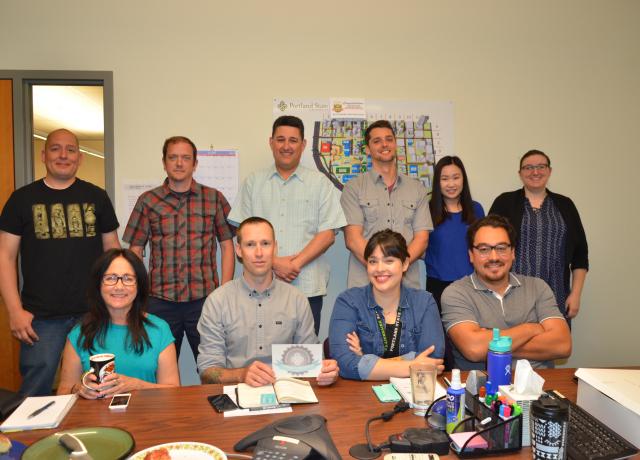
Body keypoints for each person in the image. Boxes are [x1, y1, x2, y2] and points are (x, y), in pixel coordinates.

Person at [0, 129, 120, 396]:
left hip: (94, 313)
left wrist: (117, 302)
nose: (63, 155)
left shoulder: (97, 197)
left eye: (70, 150)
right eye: (55, 149)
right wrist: (14, 311)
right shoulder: (22, 199)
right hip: (40, 318)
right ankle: (32, 439)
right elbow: (5, 257)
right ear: (44, 155)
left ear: (79, 158)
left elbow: (112, 252)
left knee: (100, 388)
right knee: (35, 393)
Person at [228, 116, 346, 334]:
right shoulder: (253, 182)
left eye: (293, 140)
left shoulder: (320, 184)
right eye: (280, 139)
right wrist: (274, 262)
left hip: (307, 287)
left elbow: (328, 234)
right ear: (271, 142)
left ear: (303, 145)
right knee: (260, 350)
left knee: (303, 358)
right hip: (260, 286)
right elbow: (241, 233)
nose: (286, 146)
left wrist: (295, 264)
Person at [123, 136, 235, 360]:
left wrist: (225, 291)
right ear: (164, 162)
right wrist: (139, 295)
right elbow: (135, 250)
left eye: (186, 158)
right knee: (158, 368)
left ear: (195, 163)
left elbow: (227, 245)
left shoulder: (214, 198)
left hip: (205, 301)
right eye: (173, 157)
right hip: (159, 302)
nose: (179, 163)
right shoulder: (148, 200)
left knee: (212, 366)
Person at [197, 217, 339, 387]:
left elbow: (310, 362)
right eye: (250, 244)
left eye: (265, 243)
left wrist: (325, 371)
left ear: (275, 248)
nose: (259, 253)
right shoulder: (217, 302)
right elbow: (207, 371)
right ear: (239, 250)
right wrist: (241, 375)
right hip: (237, 394)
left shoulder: (296, 300)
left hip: (287, 393)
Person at [441, 215, 572, 370]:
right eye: (484, 250)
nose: (494, 257)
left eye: (501, 248)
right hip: (485, 388)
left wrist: (490, 343)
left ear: (513, 252)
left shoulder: (538, 287)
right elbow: (474, 349)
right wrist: (530, 329)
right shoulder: (456, 293)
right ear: (471, 255)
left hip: (539, 385)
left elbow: (562, 345)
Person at [57, 249, 180, 399]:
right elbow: (63, 392)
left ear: (139, 285)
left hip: (148, 416)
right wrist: (79, 389)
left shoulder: (159, 329)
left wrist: (137, 385)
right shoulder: (79, 333)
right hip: (97, 420)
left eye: (128, 279)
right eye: (110, 278)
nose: (119, 286)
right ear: (98, 284)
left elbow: (174, 393)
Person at [329, 230, 444, 380]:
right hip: (363, 397)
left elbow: (432, 360)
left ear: (405, 264)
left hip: (414, 395)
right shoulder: (348, 302)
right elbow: (344, 363)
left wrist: (365, 359)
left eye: (389, 261)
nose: (379, 268)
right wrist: (412, 364)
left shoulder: (424, 302)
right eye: (373, 261)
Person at [489, 149, 588, 320]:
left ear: (549, 171)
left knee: (554, 344)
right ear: (520, 174)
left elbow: (580, 254)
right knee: (514, 344)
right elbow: (488, 247)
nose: (535, 172)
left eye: (541, 166)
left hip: (556, 294)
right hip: (511, 294)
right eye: (528, 167)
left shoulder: (565, 205)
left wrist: (576, 294)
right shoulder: (504, 202)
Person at [341, 120, 432, 290]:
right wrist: (381, 270)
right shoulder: (353, 188)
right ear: (368, 149)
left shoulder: (417, 189)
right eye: (377, 141)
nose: (384, 144)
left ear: (395, 144)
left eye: (389, 139)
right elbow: (353, 239)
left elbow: (422, 239)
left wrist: (398, 268)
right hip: (364, 286)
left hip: (407, 287)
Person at [424, 156, 484, 307]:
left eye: (456, 177)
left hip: (473, 284)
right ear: (437, 182)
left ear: (463, 179)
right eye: (444, 179)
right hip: (438, 285)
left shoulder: (476, 209)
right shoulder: (427, 210)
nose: (451, 184)